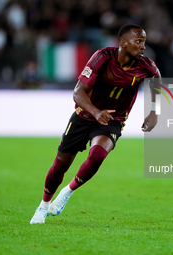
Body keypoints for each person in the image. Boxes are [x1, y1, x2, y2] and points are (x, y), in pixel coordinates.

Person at [30, 24, 161, 224]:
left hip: (112, 121)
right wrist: (96, 112)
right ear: (124, 43)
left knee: (98, 154)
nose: (143, 46)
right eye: (139, 41)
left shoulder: (146, 66)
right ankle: (43, 205)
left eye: (144, 42)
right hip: (84, 116)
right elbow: (78, 92)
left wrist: (153, 112)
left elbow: (157, 81)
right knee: (60, 165)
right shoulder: (102, 57)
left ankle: (67, 192)